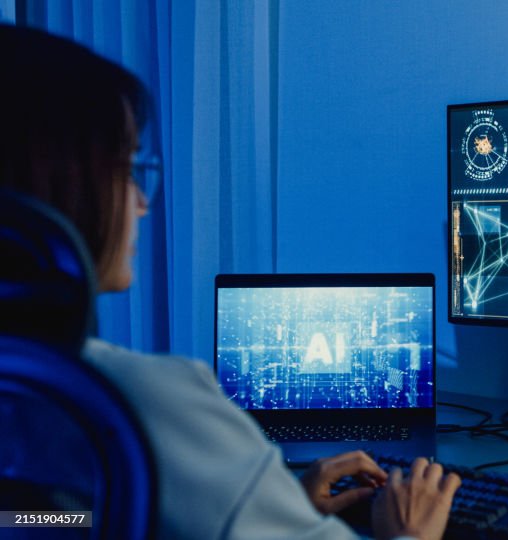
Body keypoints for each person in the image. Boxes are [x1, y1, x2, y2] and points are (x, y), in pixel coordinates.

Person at [0, 24, 459, 540]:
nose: (143, 202)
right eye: (127, 170)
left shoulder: (23, 390)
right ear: (59, 184)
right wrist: (410, 535)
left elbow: (39, 519)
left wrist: (266, 508)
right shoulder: (147, 400)